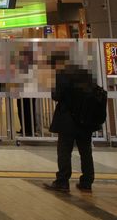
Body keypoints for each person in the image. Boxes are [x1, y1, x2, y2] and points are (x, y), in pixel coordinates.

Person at [43, 51, 96, 193]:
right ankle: (87, 181)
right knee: (86, 151)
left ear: (56, 63)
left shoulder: (62, 75)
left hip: (68, 120)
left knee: (64, 151)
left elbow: (57, 96)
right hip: (85, 121)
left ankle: (62, 181)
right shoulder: (84, 73)